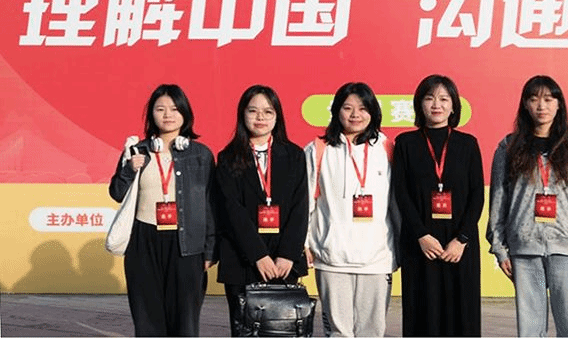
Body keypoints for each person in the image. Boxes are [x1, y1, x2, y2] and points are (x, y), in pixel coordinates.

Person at [487, 75, 568, 337]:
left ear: (559, 105)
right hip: (525, 249)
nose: (541, 106)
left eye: (549, 99)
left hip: (567, 248)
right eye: (534, 99)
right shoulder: (508, 148)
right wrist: (500, 249)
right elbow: (498, 200)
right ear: (525, 104)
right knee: (530, 329)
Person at [109, 84, 216, 336]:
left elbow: (211, 204)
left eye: (175, 109)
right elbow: (116, 193)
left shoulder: (201, 155)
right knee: (147, 319)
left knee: (185, 321)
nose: (168, 114)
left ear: (185, 113)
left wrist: (210, 249)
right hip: (143, 242)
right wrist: (129, 169)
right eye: (160, 109)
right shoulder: (137, 151)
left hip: (187, 243)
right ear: (151, 115)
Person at [304, 82, 399, 337]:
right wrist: (304, 243)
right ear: (336, 110)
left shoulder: (387, 148)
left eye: (363, 108)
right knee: (338, 332)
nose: (355, 114)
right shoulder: (319, 149)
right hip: (331, 256)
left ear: (373, 112)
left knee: (373, 331)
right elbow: (306, 202)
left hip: (377, 257)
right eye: (348, 108)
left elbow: (396, 203)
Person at [393, 74, 484, 336]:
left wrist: (462, 239)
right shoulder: (405, 143)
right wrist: (421, 235)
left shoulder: (468, 144)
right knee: (423, 312)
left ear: (453, 106)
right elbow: (401, 193)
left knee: (461, 313)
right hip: (420, 243)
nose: (436, 104)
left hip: (459, 244)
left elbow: (477, 195)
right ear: (419, 104)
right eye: (429, 98)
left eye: (444, 99)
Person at [215, 85, 309, 336]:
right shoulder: (227, 157)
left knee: (283, 330)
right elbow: (231, 211)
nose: (260, 117)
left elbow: (300, 208)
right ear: (242, 114)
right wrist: (258, 255)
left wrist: (287, 254)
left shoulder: (294, 155)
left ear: (277, 116)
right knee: (246, 330)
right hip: (242, 260)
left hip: (283, 263)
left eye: (268, 112)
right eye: (253, 111)